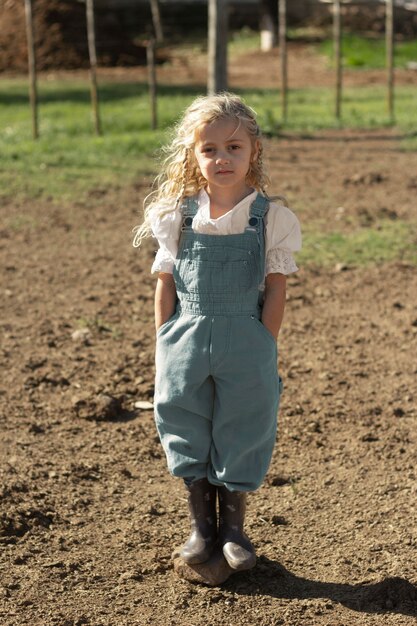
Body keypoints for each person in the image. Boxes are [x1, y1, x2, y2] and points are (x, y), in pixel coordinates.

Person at [133, 93, 301, 572]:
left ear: (254, 152)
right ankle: (200, 528)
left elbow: (276, 288)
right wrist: (165, 340)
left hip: (246, 337)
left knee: (245, 422)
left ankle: (233, 530)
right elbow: (165, 284)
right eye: (209, 149)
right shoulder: (176, 215)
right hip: (186, 335)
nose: (222, 158)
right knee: (184, 422)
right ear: (193, 154)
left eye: (234, 147)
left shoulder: (270, 219)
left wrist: (263, 342)